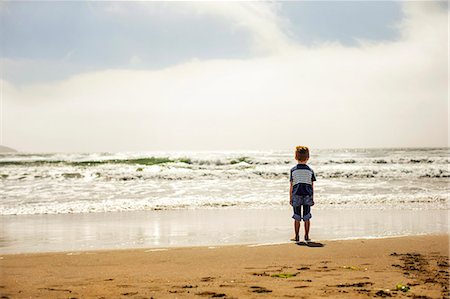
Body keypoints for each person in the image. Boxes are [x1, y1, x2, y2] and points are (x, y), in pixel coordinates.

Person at [289, 146, 316, 243]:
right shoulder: (310, 171)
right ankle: (307, 236)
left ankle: (296, 236)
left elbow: (291, 186)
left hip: (296, 195)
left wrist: (290, 198)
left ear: (295, 157)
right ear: (308, 157)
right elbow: (311, 186)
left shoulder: (293, 170)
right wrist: (312, 198)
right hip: (307, 195)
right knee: (306, 217)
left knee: (296, 217)